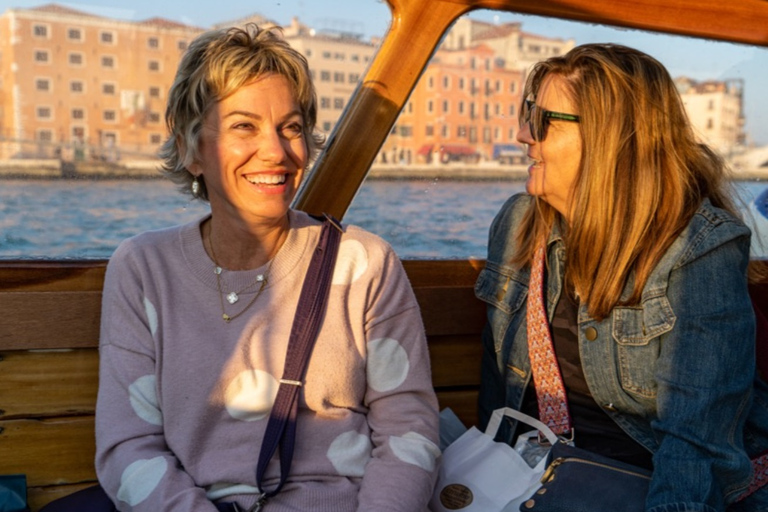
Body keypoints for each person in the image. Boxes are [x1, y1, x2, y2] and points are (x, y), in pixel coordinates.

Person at [89, 24, 439, 512]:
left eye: (291, 127)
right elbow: (128, 447)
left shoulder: (365, 264)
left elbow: (409, 429)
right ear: (192, 150)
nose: (276, 152)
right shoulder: (144, 269)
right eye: (244, 126)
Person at [475, 43, 768, 511]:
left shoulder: (698, 249)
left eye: (542, 120)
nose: (522, 135)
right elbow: (498, 395)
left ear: (612, 137)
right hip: (538, 479)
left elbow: (696, 446)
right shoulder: (517, 223)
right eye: (527, 113)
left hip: (651, 488)